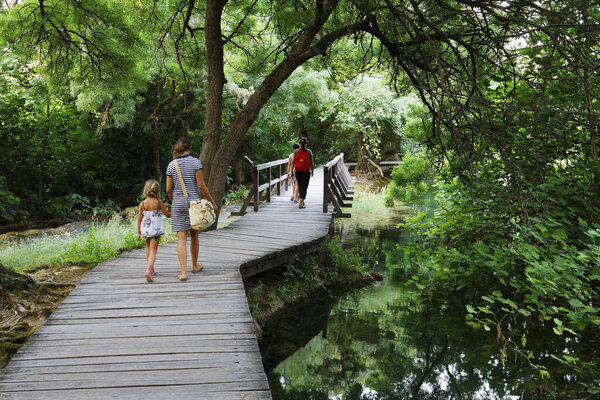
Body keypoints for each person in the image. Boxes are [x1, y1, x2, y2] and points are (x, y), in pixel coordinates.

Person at [166, 138, 218, 281]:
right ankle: (194, 265)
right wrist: (212, 202)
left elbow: (168, 189)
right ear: (189, 148)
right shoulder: (195, 162)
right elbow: (201, 185)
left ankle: (183, 273)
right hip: (193, 204)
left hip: (177, 204)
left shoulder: (171, 165)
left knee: (181, 238)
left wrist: (174, 201)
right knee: (194, 235)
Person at [137, 179, 171, 283]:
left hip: (145, 231)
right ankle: (148, 271)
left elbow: (139, 219)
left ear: (145, 191)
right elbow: (167, 215)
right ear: (157, 191)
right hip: (155, 231)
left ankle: (151, 269)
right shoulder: (159, 203)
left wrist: (138, 233)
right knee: (153, 251)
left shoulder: (142, 204)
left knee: (148, 250)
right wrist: (175, 212)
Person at [293, 137, 314, 209]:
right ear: (306, 143)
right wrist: (312, 171)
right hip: (306, 171)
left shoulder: (296, 151)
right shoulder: (309, 151)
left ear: (300, 143)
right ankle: (301, 203)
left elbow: (293, 162)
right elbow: (311, 162)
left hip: (298, 171)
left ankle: (301, 200)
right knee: (304, 187)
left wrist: (291, 171)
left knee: (300, 185)